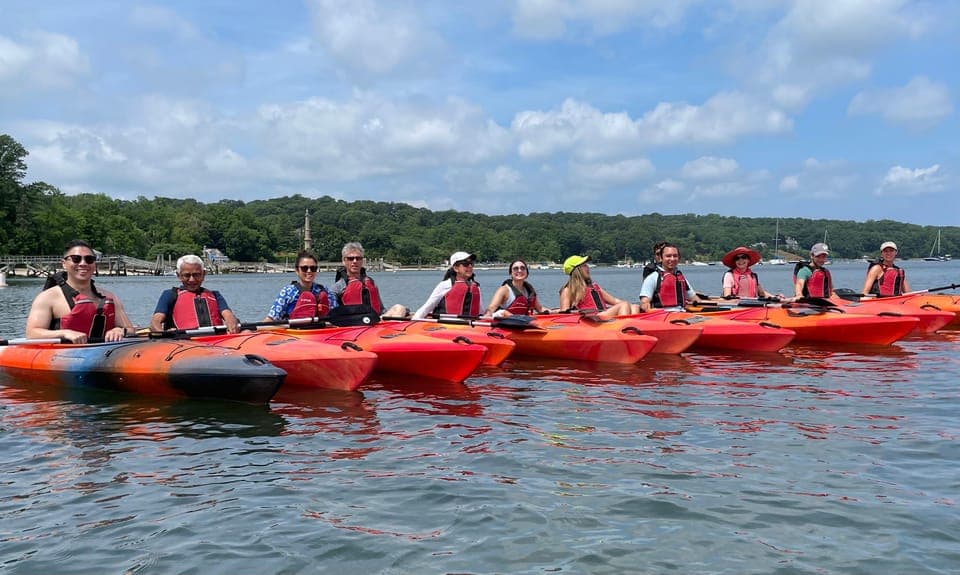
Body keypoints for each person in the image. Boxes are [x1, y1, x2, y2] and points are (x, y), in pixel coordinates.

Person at [26, 240, 136, 343]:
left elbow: (130, 329)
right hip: (62, 356)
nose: (83, 263)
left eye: (89, 259)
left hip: (103, 355)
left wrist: (119, 330)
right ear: (64, 263)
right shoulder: (47, 298)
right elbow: (32, 333)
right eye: (76, 259)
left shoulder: (110, 297)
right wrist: (65, 333)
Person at [149, 254, 241, 333]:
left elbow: (228, 315)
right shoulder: (170, 295)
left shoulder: (215, 295)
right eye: (187, 275)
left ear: (203, 274)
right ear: (179, 276)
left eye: (196, 275)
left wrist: (232, 322)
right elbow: (155, 321)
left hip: (215, 341)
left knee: (246, 331)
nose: (192, 280)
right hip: (182, 342)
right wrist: (163, 334)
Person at [331, 242, 408, 317]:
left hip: (376, 322)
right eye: (351, 258)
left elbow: (381, 310)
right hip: (353, 323)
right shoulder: (338, 287)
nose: (355, 261)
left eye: (358, 258)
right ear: (344, 261)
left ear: (362, 261)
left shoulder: (371, 283)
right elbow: (333, 313)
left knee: (399, 308)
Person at [263, 250, 337, 322]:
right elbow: (271, 318)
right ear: (297, 270)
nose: (309, 271)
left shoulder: (325, 291)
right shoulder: (287, 292)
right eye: (304, 268)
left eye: (313, 268)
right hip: (293, 332)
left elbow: (336, 316)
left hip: (319, 331)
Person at [558, 255, 633, 318]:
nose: (588, 268)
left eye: (587, 265)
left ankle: (633, 330)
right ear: (577, 271)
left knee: (633, 306)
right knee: (624, 305)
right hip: (590, 319)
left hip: (601, 315)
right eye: (584, 266)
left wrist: (631, 305)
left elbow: (614, 300)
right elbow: (564, 313)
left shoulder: (594, 286)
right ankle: (623, 330)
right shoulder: (568, 290)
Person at [413, 251, 482, 319]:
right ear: (456, 268)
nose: (470, 266)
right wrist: (415, 320)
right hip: (445, 325)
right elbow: (428, 306)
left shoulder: (475, 287)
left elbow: (480, 311)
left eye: (471, 263)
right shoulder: (445, 285)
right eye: (465, 264)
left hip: (468, 326)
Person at [638, 243, 704, 311]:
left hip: (682, 314)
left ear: (679, 258)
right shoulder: (652, 278)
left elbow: (695, 298)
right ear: (661, 258)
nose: (672, 259)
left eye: (675, 256)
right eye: (668, 256)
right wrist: (648, 308)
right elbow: (644, 302)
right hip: (662, 315)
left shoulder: (681, 279)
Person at [484, 259, 552, 317]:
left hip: (524, 326)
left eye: (522, 268)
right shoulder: (504, 290)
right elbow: (491, 309)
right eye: (515, 268)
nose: (519, 271)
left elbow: (540, 309)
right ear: (511, 273)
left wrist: (558, 311)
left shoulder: (529, 291)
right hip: (506, 326)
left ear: (527, 273)